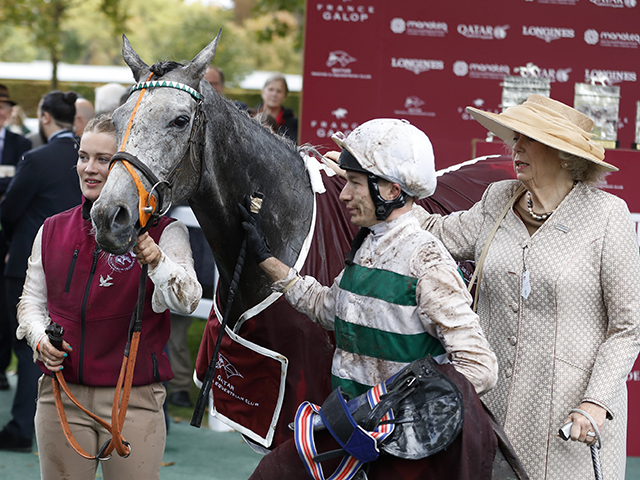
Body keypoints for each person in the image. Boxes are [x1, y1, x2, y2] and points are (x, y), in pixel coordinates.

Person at [244, 119, 498, 479]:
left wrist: (400, 412)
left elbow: (479, 366)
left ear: (391, 191)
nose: (344, 194)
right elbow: (329, 310)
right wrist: (268, 262)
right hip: (350, 432)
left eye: (353, 183)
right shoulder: (367, 244)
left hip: (399, 455)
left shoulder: (426, 260)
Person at [413, 94, 640, 480]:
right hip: (493, 411)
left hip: (571, 422)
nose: (514, 147)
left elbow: (627, 328)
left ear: (564, 155)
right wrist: (377, 186)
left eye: (527, 139)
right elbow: (432, 233)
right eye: (514, 138)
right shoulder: (498, 198)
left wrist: (595, 403)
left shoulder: (608, 216)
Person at [16, 114, 202, 479]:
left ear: (127, 163)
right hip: (60, 396)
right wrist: (39, 340)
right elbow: (31, 304)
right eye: (84, 157)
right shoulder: (52, 228)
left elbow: (188, 299)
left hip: (135, 401)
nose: (90, 168)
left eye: (104, 159)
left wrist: (156, 259)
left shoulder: (166, 231)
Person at [0, 90, 82, 452]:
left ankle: (22, 428)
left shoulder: (35, 158)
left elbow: (9, 211)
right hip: (80, 263)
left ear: (45, 117)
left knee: (28, 347)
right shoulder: (93, 156)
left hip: (29, 263)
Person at [0, 85, 32, 391]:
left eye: (3, 106)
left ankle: (1, 366)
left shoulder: (21, 143)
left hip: (9, 239)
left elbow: (18, 191)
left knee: (6, 305)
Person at [253, 73, 298, 143]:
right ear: (262, 92)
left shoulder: (294, 124)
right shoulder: (250, 116)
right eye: (270, 89)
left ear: (285, 96)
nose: (274, 94)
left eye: (279, 91)